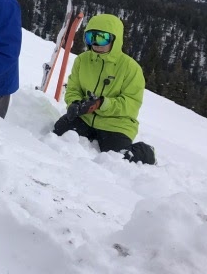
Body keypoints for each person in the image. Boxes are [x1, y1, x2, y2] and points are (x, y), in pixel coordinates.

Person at [52, 13, 156, 164]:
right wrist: (74, 103)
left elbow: (131, 104)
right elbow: (73, 87)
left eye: (101, 38)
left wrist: (102, 104)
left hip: (116, 124)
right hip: (86, 117)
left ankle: (146, 152)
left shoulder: (131, 68)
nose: (95, 43)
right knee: (58, 131)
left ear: (115, 39)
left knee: (119, 160)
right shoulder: (82, 60)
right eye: (90, 37)